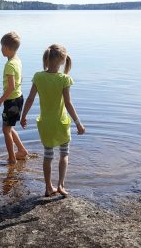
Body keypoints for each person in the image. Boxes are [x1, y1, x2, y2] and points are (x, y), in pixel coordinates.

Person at [20, 44, 85, 197]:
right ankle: (61, 185)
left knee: (48, 156)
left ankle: (48, 187)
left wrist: (23, 116)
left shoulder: (38, 76)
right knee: (64, 154)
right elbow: (68, 104)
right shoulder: (64, 79)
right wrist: (78, 123)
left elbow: (29, 99)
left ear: (47, 59)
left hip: (46, 124)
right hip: (61, 123)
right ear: (62, 61)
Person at [0, 32, 29, 164]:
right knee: (9, 127)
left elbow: (11, 87)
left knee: (5, 130)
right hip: (19, 98)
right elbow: (20, 79)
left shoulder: (9, 65)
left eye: (2, 46)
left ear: (7, 48)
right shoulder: (17, 61)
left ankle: (12, 158)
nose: (1, 49)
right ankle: (21, 150)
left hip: (12, 100)